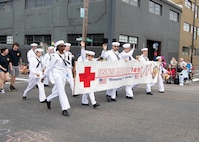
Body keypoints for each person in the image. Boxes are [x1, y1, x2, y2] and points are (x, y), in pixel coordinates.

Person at [41, 40, 71, 116]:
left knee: (59, 91)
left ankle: (48, 99)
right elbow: (49, 67)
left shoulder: (66, 54)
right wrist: (44, 76)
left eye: (64, 46)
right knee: (61, 91)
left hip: (63, 74)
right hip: (57, 74)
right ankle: (65, 108)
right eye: (61, 46)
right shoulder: (55, 56)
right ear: (57, 47)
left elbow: (67, 65)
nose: (63, 47)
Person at [79, 41, 100, 108]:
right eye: (89, 56)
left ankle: (84, 101)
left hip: (90, 78)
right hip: (85, 77)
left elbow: (98, 59)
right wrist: (82, 47)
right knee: (90, 90)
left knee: (87, 90)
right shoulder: (84, 61)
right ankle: (94, 103)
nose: (90, 57)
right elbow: (82, 55)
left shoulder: (93, 61)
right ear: (86, 56)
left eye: (92, 56)